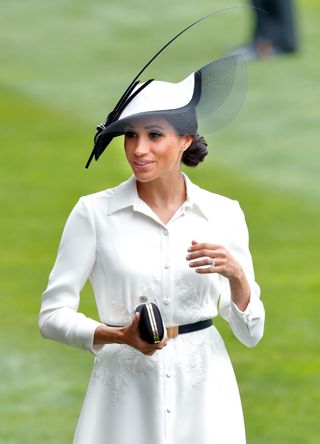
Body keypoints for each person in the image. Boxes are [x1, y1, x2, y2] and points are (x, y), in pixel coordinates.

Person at [39, 52, 265, 443]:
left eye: (154, 135)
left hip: (206, 397)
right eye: (130, 135)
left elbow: (251, 333)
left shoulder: (224, 213)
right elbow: (52, 315)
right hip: (122, 398)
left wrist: (238, 277)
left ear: (185, 140)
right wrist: (118, 336)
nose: (138, 149)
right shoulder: (93, 213)